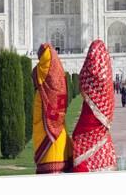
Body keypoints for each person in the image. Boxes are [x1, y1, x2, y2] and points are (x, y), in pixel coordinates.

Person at [72, 40, 117, 172]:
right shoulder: (107, 75)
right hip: (100, 125)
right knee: (101, 140)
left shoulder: (88, 75)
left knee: (80, 139)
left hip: (88, 122)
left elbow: (83, 78)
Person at [32, 43, 73, 174]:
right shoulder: (60, 79)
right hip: (60, 132)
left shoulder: (40, 72)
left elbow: (35, 76)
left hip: (47, 133)